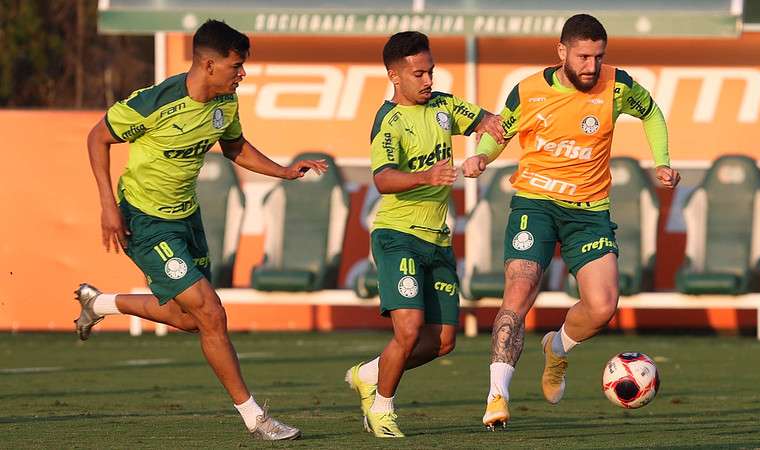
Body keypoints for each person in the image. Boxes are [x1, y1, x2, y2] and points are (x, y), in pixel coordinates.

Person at [75, 19, 328, 441]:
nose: (242, 74)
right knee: (212, 313)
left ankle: (99, 304)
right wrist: (107, 205)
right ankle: (256, 418)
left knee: (190, 320)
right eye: (236, 66)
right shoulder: (156, 102)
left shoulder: (225, 102)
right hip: (146, 222)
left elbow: (235, 147)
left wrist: (283, 172)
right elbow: (96, 137)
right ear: (208, 65)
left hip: (187, 219)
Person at [462, 14, 680, 430]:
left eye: (598, 57)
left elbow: (652, 114)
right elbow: (499, 130)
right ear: (561, 51)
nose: (590, 66)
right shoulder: (529, 91)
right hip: (535, 204)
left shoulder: (617, 85)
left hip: (590, 211)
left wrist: (663, 163)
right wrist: (482, 156)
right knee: (519, 289)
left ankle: (557, 348)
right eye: (582, 56)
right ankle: (497, 394)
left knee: (602, 306)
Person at [345, 31, 504, 438]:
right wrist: (426, 176)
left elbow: (492, 123)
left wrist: (482, 153)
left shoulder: (444, 106)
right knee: (410, 329)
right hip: (396, 235)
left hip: (438, 239)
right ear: (394, 76)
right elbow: (382, 179)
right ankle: (382, 407)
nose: (428, 79)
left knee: (444, 342)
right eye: (419, 73)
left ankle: (371, 373)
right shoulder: (389, 120)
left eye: (430, 70)